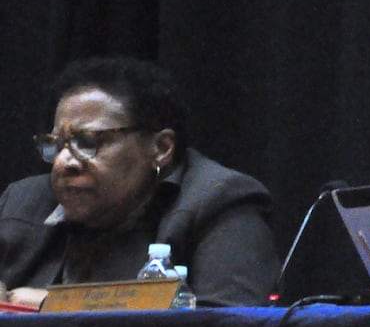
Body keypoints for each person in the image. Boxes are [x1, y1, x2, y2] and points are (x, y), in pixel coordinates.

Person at [0, 56, 277, 307]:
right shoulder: (21, 203)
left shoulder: (221, 201)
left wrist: (57, 307)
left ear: (161, 148)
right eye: (56, 145)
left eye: (88, 142)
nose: (63, 163)